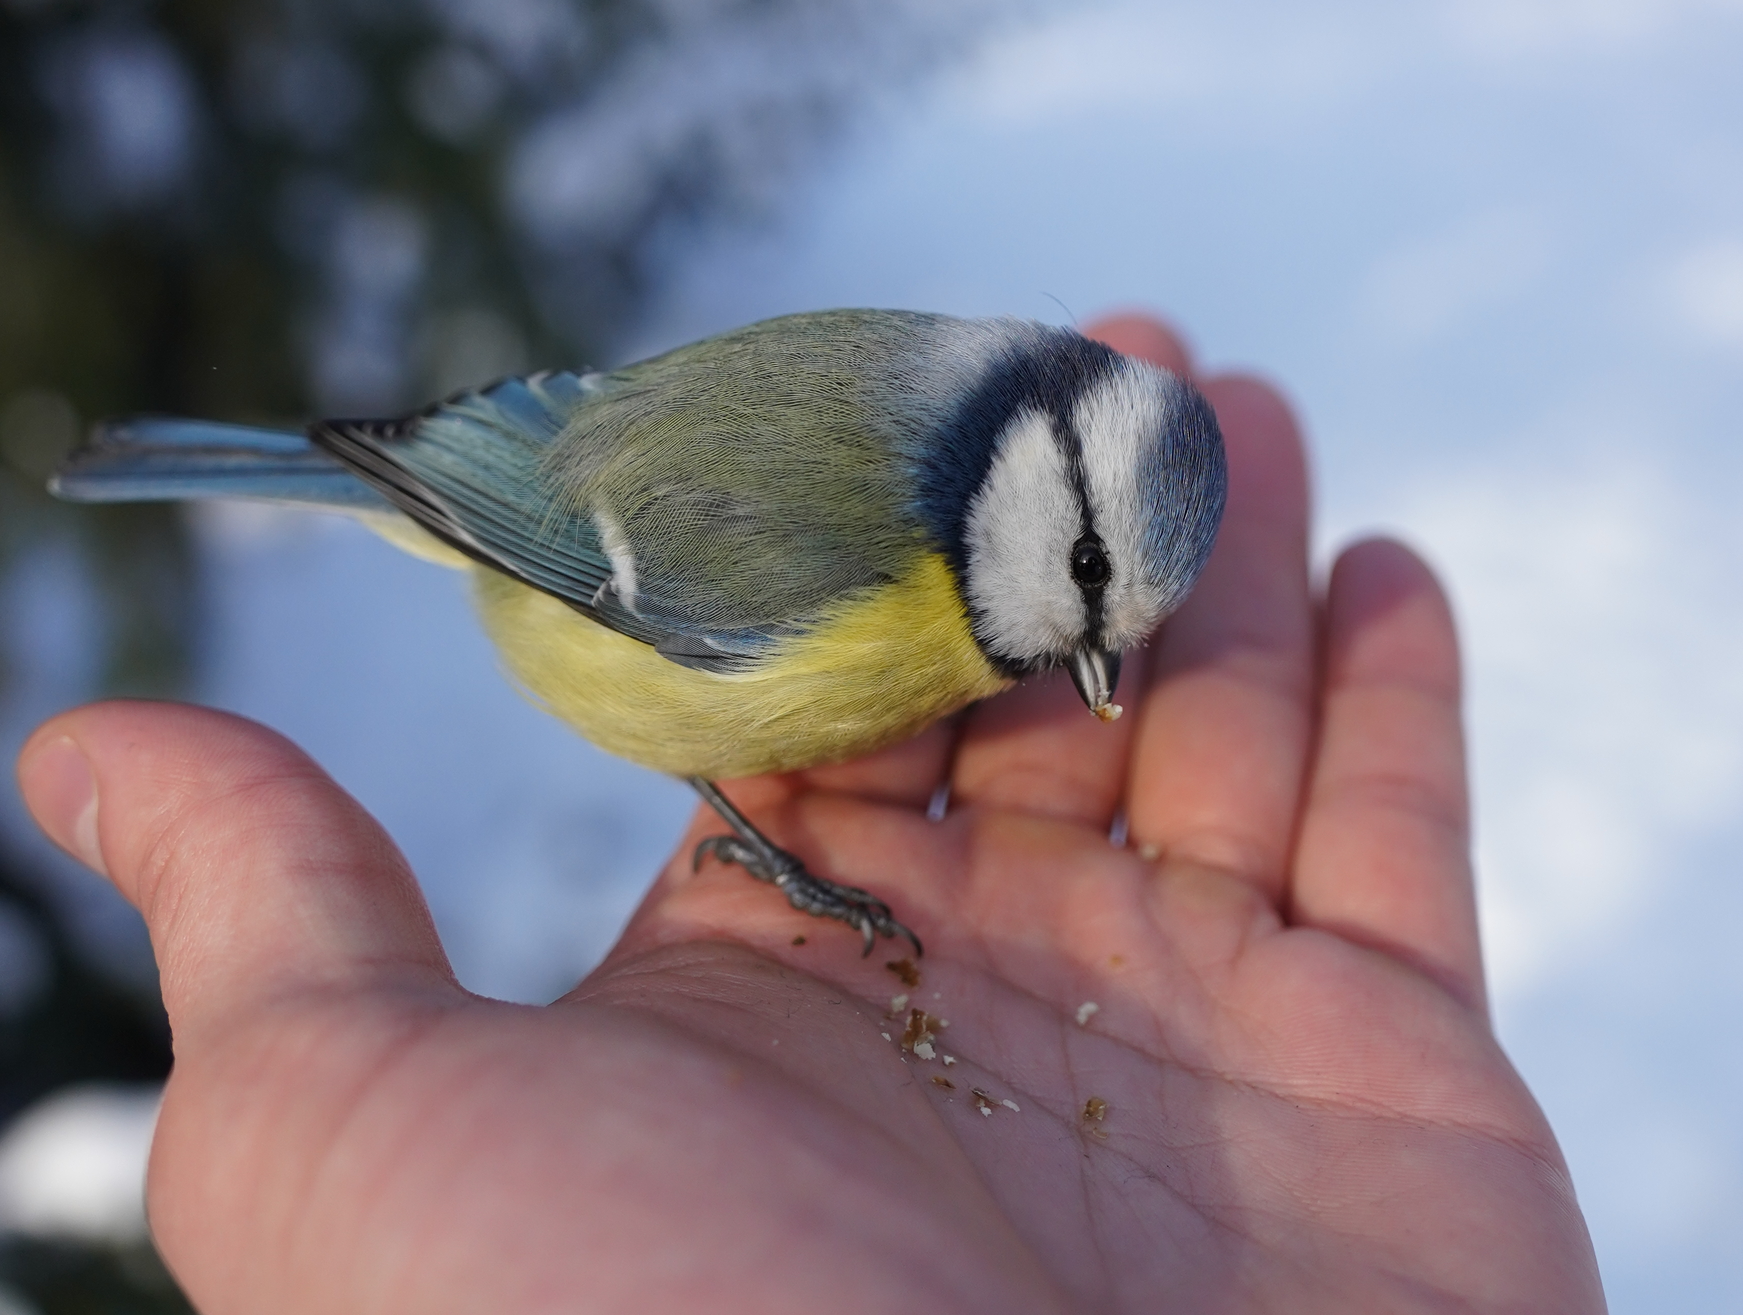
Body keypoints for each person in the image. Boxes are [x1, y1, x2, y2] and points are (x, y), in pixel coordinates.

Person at [13, 317, 1606, 1313]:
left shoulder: (939, 420)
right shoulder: (847, 559)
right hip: (540, 535)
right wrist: (769, 850)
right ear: (1027, 476)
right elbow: (563, 494)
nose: (1093, 657)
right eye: (1088, 587)